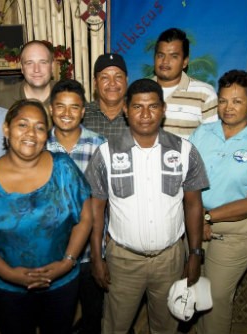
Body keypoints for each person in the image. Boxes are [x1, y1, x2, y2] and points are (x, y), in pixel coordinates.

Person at [0, 99, 93, 334]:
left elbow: (85, 217)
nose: (31, 133)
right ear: (6, 129)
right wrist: (7, 273)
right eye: (22, 125)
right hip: (7, 288)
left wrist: (66, 262)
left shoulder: (64, 168)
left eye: (39, 127)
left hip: (62, 283)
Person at [85, 78, 209, 334]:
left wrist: (195, 254)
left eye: (153, 107)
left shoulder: (185, 151)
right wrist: (97, 256)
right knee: (115, 326)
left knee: (166, 326)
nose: (145, 114)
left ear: (163, 110)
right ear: (125, 110)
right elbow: (96, 209)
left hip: (170, 260)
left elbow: (194, 206)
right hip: (122, 260)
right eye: (138, 107)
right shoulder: (105, 154)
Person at [189, 70, 247, 334]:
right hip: (193, 224)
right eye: (223, 100)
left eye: (237, 101)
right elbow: (186, 177)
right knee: (193, 290)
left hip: (233, 235)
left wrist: (208, 217)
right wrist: (196, 217)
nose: (228, 107)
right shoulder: (202, 134)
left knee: (216, 299)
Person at [46, 79, 106, 334]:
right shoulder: (39, 146)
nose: (67, 113)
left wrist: (98, 253)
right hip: (50, 251)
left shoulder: (99, 146)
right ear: (51, 109)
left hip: (89, 251)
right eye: (60, 106)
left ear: (83, 111)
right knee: (55, 317)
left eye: (74, 107)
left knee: (94, 315)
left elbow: (103, 204)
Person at [152, 28, 218, 138]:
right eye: (161, 55)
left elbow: (211, 142)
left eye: (173, 56)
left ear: (185, 62)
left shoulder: (204, 94)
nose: (165, 61)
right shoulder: (140, 91)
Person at [0, 40, 55, 113]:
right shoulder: (3, 100)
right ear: (22, 68)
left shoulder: (66, 95)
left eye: (43, 62)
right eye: (29, 63)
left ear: (52, 66)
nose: (36, 69)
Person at [82, 53, 129, 140]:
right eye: (105, 78)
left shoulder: (138, 114)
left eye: (118, 77)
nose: (112, 83)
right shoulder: (82, 115)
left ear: (126, 81)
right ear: (95, 83)